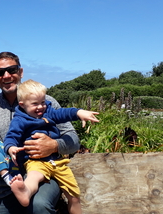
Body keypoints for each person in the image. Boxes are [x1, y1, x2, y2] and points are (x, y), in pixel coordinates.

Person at [0, 51, 81, 214]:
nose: (7, 75)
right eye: (0, 72)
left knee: (39, 206)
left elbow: (74, 140)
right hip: (6, 184)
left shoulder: (46, 103)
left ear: (21, 72)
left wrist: (53, 145)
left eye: (12, 69)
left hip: (44, 177)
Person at [5, 79, 99, 213]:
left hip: (57, 162)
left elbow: (63, 114)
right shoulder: (20, 120)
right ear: (22, 104)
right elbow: (11, 136)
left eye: (42, 102)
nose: (40, 107)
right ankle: (25, 192)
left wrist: (78, 113)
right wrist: (11, 147)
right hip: (36, 161)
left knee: (74, 195)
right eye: (35, 104)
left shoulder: (48, 112)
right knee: (33, 177)